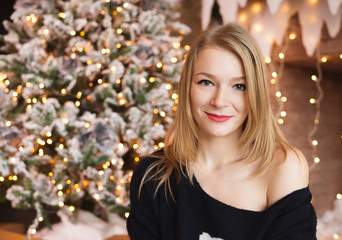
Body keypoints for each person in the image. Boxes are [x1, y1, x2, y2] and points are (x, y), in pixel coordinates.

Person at [127, 23, 317, 240]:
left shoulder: (284, 167)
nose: (219, 101)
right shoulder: (152, 176)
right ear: (187, 87)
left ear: (255, 93)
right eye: (206, 82)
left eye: (239, 86)